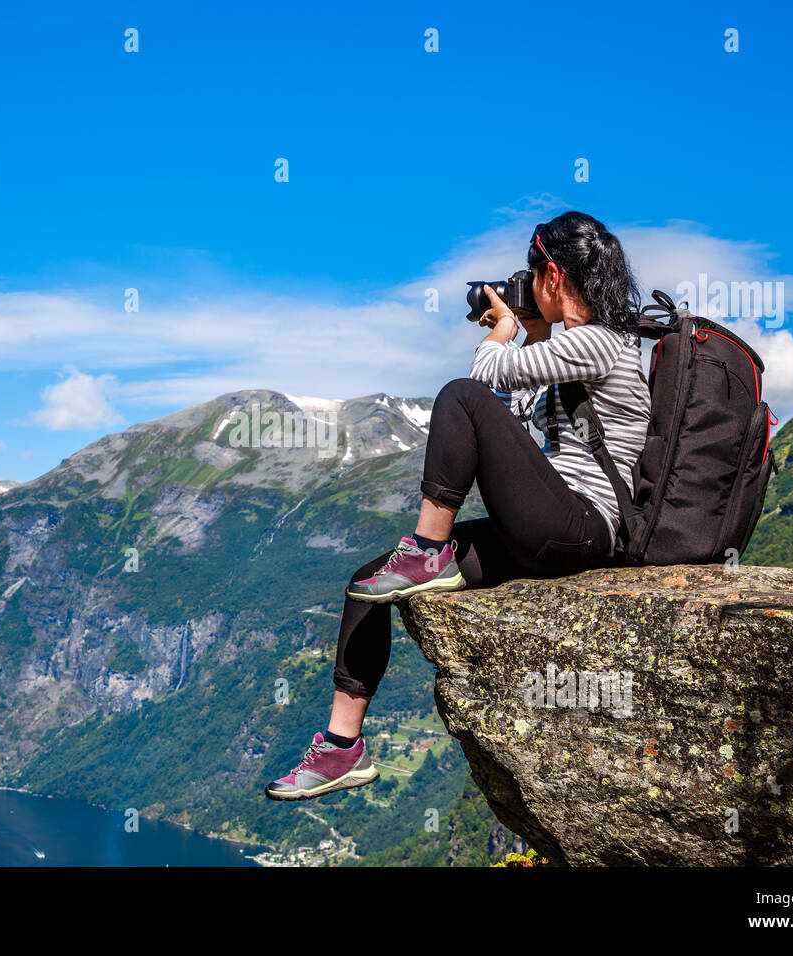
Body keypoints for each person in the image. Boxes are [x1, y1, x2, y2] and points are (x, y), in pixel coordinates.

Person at [265, 211, 652, 800]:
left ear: (551, 273)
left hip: (584, 527)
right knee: (369, 581)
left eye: (530, 273)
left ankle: (426, 548)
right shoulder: (575, 349)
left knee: (459, 395)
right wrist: (532, 330)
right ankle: (343, 747)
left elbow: (485, 378)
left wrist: (501, 333)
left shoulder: (602, 341)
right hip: (550, 525)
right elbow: (515, 421)